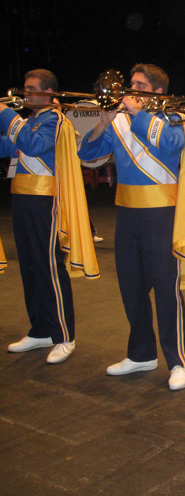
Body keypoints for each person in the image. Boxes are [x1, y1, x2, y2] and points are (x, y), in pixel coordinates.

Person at [78, 64, 185, 391]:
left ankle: (179, 359)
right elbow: (87, 153)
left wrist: (137, 115)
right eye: (130, 85)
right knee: (131, 287)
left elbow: (170, 146)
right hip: (127, 213)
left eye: (138, 86)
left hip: (162, 213)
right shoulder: (119, 120)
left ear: (157, 93)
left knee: (167, 290)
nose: (128, 91)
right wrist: (103, 123)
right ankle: (140, 354)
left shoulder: (175, 118)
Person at [1, 69, 98, 364]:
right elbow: (11, 146)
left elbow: (34, 145)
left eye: (31, 89)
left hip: (45, 200)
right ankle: (40, 329)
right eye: (25, 89)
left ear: (48, 93)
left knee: (48, 266)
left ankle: (63, 334)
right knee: (29, 266)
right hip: (22, 197)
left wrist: (6, 114)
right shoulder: (31, 120)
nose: (26, 94)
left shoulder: (54, 119)